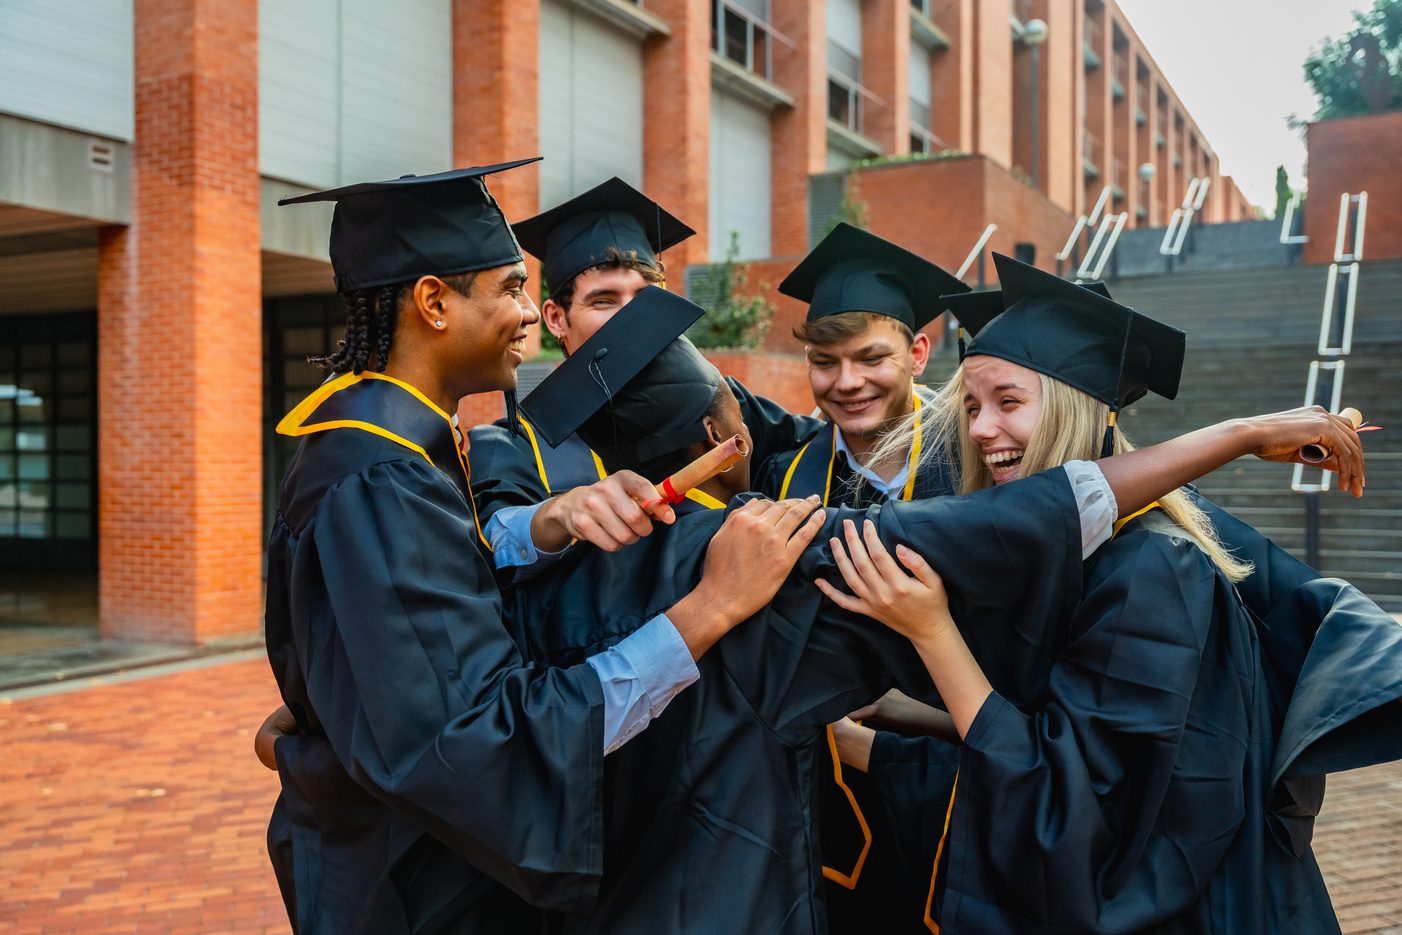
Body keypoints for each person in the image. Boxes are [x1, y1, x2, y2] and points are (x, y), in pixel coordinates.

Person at [263, 161, 825, 934]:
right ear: (433, 302)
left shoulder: (397, 453)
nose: (528, 314)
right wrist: (710, 609)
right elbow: (483, 742)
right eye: (510, 289)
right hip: (411, 890)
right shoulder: (377, 479)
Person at [821, 253, 1400, 933]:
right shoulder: (1071, 552)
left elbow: (1069, 810)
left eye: (1009, 402)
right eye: (972, 406)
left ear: (1075, 408)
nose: (978, 430)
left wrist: (931, 633)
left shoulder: (1150, 569)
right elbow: (1048, 722)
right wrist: (886, 714)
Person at [466, 177, 821, 563]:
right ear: (555, 319)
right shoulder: (515, 443)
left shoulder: (719, 401)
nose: (633, 316)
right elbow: (496, 538)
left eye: (646, 294)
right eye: (604, 301)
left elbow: (822, 453)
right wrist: (558, 513)